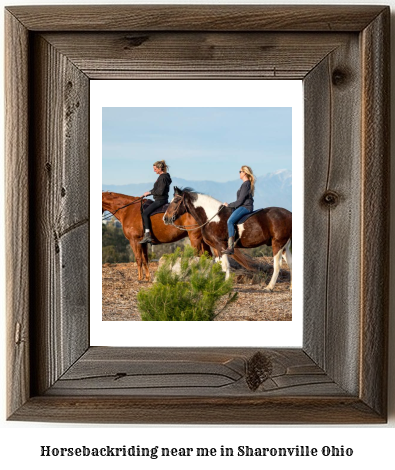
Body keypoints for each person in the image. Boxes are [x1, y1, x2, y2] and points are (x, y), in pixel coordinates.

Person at [222, 165, 255, 255]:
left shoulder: (246, 184)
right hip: (242, 206)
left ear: (244, 173)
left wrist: (228, 205)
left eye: (240, 171)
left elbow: (240, 201)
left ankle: (230, 247)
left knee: (230, 221)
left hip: (245, 207)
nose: (239, 173)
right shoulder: (245, 184)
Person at [139, 160, 172, 244]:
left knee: (145, 214)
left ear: (160, 168)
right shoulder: (162, 176)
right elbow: (156, 189)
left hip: (160, 200)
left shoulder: (163, 177)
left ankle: (147, 235)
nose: (154, 171)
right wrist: (146, 193)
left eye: (155, 169)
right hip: (159, 199)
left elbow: (160, 192)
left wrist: (150, 192)